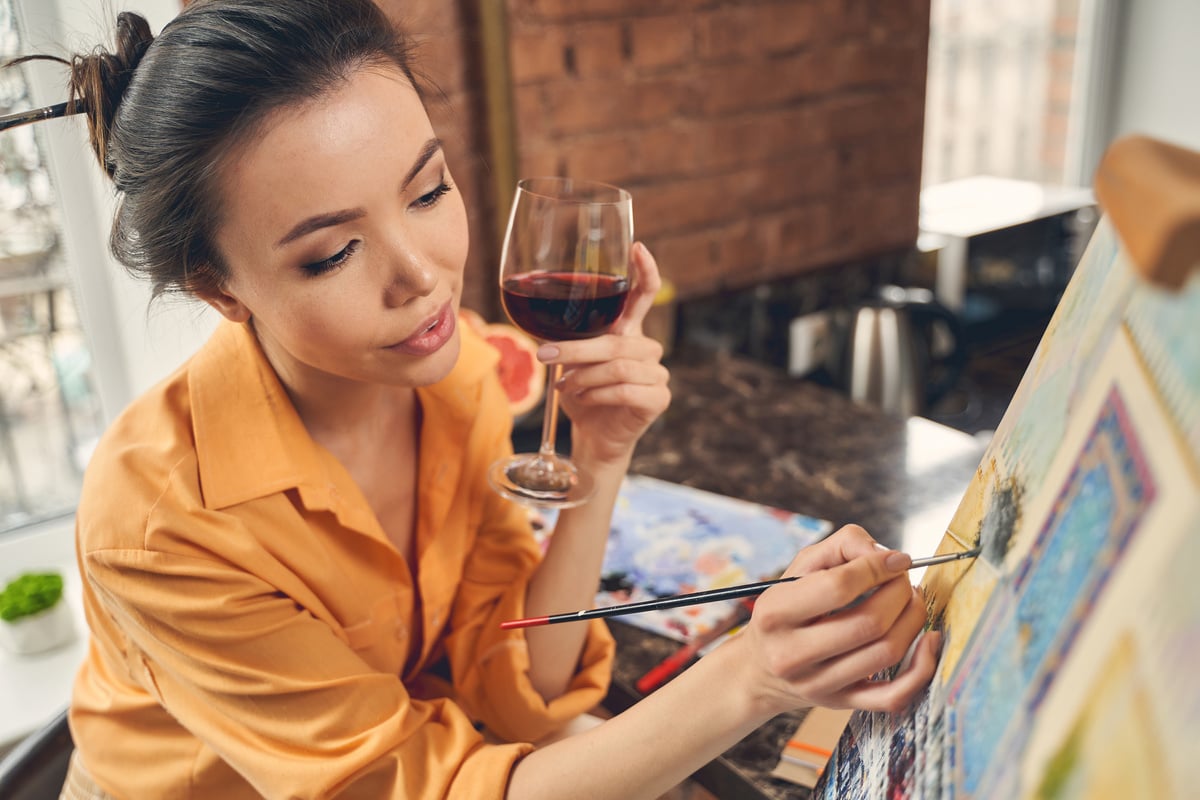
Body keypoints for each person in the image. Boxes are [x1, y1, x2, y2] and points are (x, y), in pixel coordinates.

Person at [8, 1, 940, 797]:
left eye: (428, 190)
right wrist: (754, 676)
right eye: (333, 253)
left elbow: (512, 675)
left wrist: (601, 454)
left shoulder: (456, 376)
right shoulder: (161, 523)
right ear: (221, 289)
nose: (421, 276)